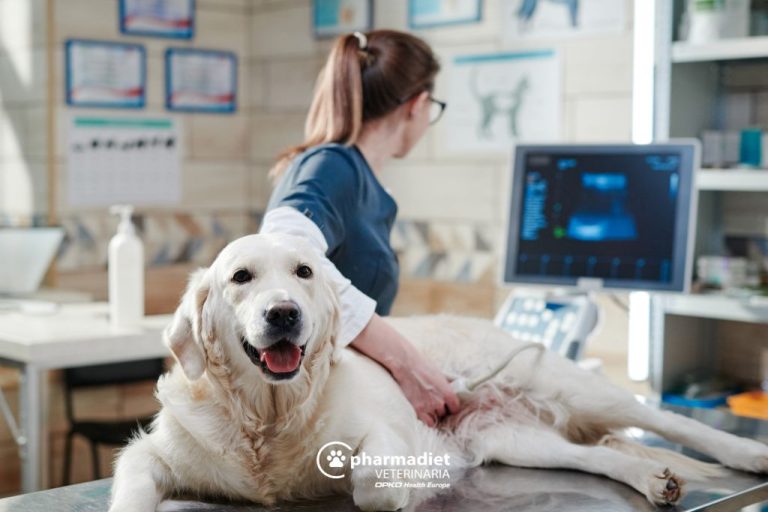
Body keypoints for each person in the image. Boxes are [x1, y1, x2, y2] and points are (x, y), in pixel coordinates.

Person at [259, 29, 458, 426]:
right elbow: (280, 249)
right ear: (417, 105)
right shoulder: (333, 165)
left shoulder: (359, 178)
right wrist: (407, 364)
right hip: (316, 417)